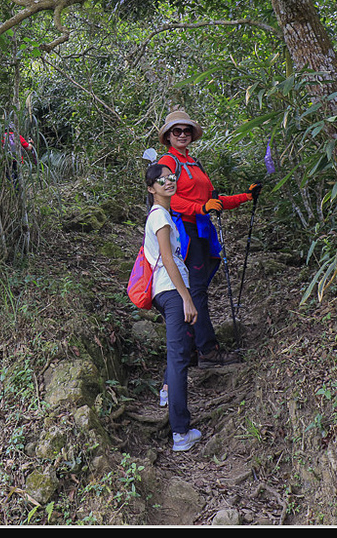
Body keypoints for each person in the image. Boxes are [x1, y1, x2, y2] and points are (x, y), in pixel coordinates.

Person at [156, 110, 262, 369]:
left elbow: (212, 201)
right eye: (177, 131)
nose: (182, 135)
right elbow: (168, 198)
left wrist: (245, 197)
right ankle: (207, 351)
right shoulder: (167, 163)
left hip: (201, 230)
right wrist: (200, 208)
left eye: (187, 131)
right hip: (184, 232)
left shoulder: (194, 164)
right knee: (196, 291)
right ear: (168, 136)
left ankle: (193, 349)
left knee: (195, 290)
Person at [143, 162, 202, 452]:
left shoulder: (162, 214)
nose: (169, 182)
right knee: (179, 359)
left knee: (179, 351)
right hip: (171, 290)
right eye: (161, 180)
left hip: (166, 291)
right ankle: (180, 433)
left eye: (171, 177)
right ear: (151, 188)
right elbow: (167, 259)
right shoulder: (159, 217)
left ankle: (168, 393)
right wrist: (186, 297)